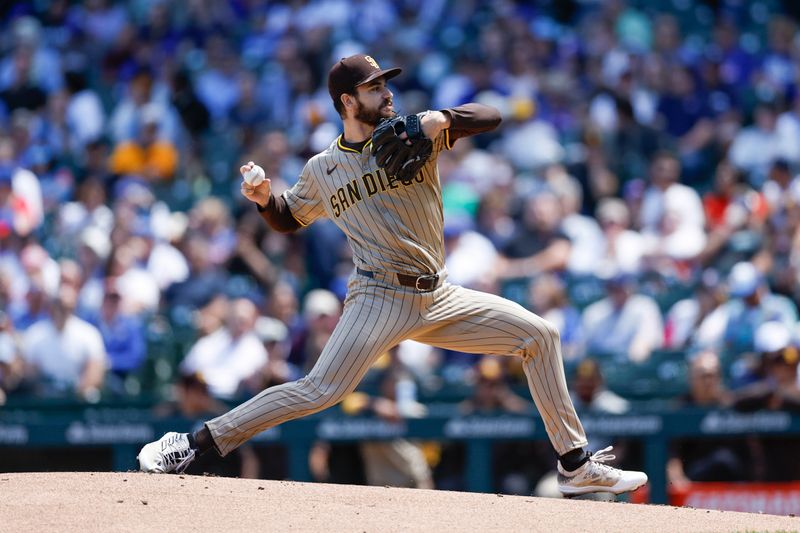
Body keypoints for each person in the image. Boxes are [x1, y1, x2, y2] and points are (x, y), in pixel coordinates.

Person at [138, 53, 647, 496]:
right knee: (318, 391)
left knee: (541, 334)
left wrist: (439, 118)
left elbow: (491, 117)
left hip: (439, 294)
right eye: (375, 87)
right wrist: (263, 200)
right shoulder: (322, 168)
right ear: (346, 102)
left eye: (386, 84)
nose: (388, 93)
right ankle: (192, 444)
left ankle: (575, 466)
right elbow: (288, 218)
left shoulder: (410, 132)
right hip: (378, 296)